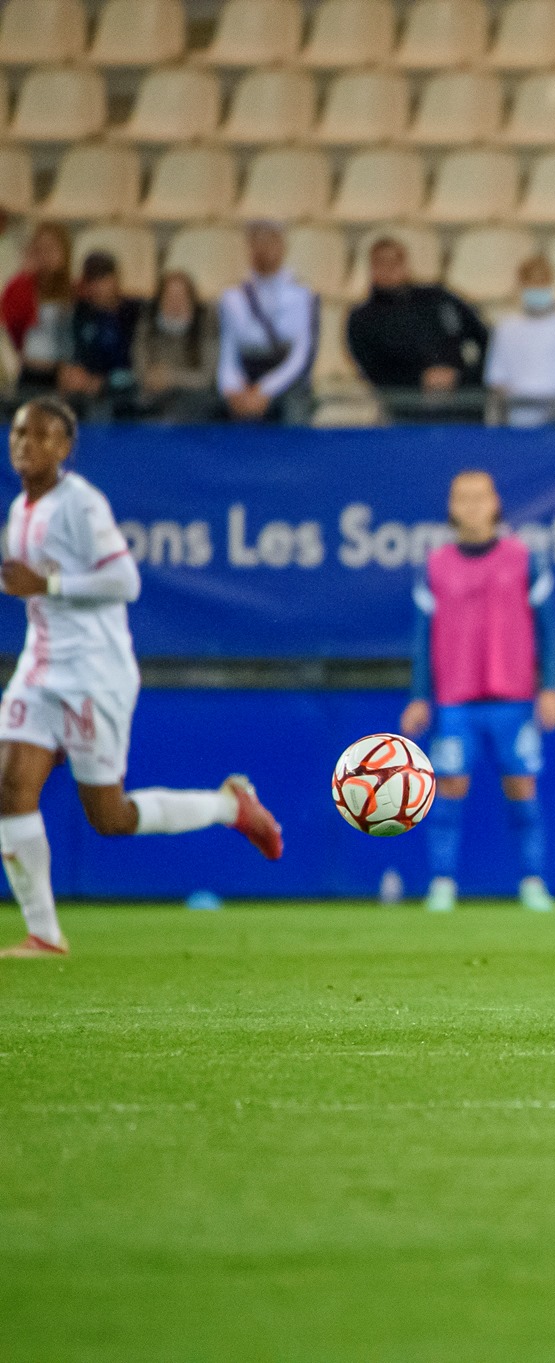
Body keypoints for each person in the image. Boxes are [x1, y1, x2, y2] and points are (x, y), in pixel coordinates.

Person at [0, 399, 283, 959]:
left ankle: (231, 806)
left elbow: (125, 581)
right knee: (10, 786)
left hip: (94, 672)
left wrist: (50, 587)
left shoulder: (81, 504)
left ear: (65, 448)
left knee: (110, 816)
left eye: (40, 436)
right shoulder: (19, 509)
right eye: (17, 434)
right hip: (39, 667)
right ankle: (45, 934)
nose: (25, 445)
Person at [399, 470, 555, 915]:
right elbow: (422, 636)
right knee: (449, 788)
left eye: (480, 497)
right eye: (462, 498)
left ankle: (532, 883)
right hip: (456, 701)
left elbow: (549, 629)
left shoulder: (524, 559)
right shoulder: (435, 565)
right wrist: (419, 695)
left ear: (496, 503)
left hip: (513, 698)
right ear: (451, 508)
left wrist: (551, 686)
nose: (471, 506)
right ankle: (442, 885)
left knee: (522, 788)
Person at [346, 237, 490, 414]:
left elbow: (483, 338)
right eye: (381, 262)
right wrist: (421, 380)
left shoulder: (439, 299)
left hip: (461, 400)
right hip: (408, 406)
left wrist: (463, 377)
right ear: (371, 268)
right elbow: (374, 370)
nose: (389, 268)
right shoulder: (362, 319)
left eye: (395, 261)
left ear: (406, 264)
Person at [217, 221, 317, 425]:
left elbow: (301, 353)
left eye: (271, 242)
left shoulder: (302, 295)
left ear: (283, 247)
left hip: (286, 379)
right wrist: (232, 387)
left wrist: (265, 390)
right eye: (258, 243)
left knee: (294, 415)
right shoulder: (232, 297)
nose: (265, 249)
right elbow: (227, 350)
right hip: (246, 376)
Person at [485, 257, 555, 428]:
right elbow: (498, 380)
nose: (537, 289)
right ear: (521, 285)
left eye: (542, 283)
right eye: (531, 283)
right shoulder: (506, 327)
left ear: (550, 283)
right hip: (520, 421)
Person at [59, 251, 141, 416]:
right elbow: (73, 355)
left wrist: (104, 382)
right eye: (92, 281)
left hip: (126, 390)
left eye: (103, 279)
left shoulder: (134, 313)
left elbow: (139, 366)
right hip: (85, 391)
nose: (98, 287)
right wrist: (72, 373)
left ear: (115, 279)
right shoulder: (80, 313)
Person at [133, 271, 220, 422]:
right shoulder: (148, 326)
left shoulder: (205, 327)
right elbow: (141, 368)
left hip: (192, 401)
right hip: (152, 398)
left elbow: (206, 377)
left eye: (181, 296)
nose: (175, 302)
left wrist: (171, 378)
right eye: (170, 296)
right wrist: (153, 379)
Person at [2, 224, 73, 395]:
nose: (45, 256)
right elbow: (11, 323)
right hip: (31, 372)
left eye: (51, 249)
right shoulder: (23, 287)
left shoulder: (73, 291)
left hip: (62, 374)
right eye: (40, 250)